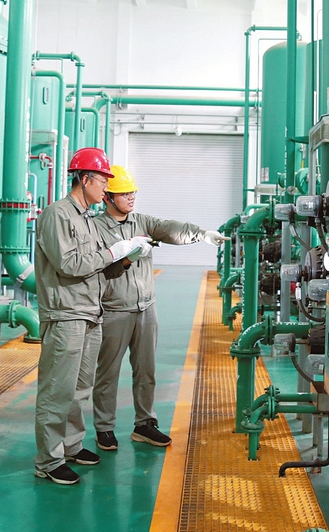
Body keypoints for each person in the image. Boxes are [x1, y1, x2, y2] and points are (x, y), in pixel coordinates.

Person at [33, 148, 151, 486]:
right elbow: (69, 265)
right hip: (66, 314)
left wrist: (126, 258)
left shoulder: (86, 218)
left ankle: (71, 447)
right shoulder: (58, 215)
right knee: (57, 390)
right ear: (85, 180)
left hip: (91, 312)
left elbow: (98, 269)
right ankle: (48, 460)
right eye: (102, 181)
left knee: (80, 389)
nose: (106, 188)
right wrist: (113, 251)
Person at [92, 165, 227, 451]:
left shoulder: (141, 221)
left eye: (133, 192)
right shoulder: (96, 229)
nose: (131, 197)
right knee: (108, 372)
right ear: (107, 197)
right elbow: (102, 271)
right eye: (124, 193)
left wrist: (202, 234)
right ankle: (104, 428)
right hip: (115, 310)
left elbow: (170, 229)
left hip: (146, 308)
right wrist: (128, 258)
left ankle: (145, 424)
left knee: (146, 370)